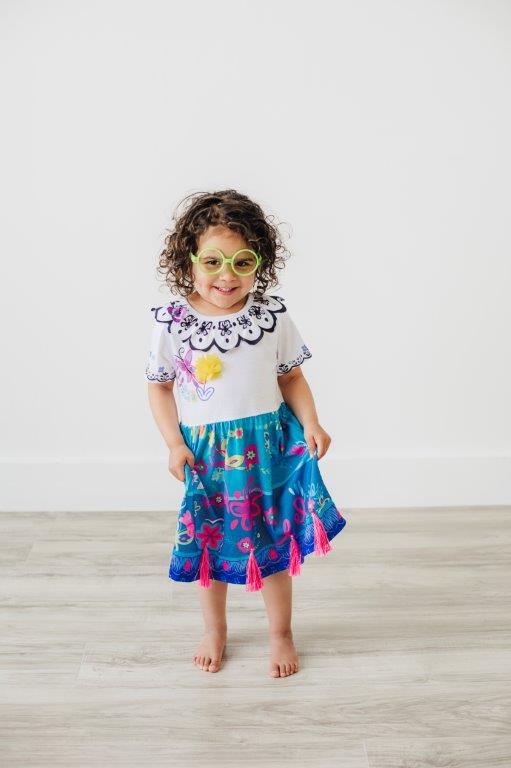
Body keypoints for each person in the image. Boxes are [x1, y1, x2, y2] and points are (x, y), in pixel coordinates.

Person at [146, 189, 347, 678]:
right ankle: (215, 629)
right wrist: (174, 444)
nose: (227, 275)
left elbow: (291, 378)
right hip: (208, 458)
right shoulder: (174, 323)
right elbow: (160, 387)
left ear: (260, 262)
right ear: (189, 260)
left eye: (242, 262)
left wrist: (312, 422)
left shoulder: (270, 316)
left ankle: (281, 633)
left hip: (268, 451)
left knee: (273, 544)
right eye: (212, 261)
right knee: (211, 544)